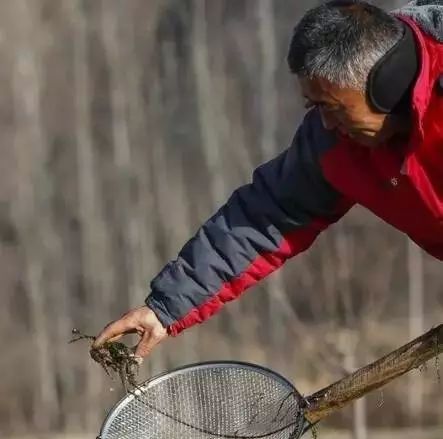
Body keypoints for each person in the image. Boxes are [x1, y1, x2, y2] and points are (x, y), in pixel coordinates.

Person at [93, 0, 443, 360]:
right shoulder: (333, 144)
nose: (325, 123)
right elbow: (264, 217)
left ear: (387, 84)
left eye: (333, 107)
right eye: (315, 107)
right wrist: (164, 309)